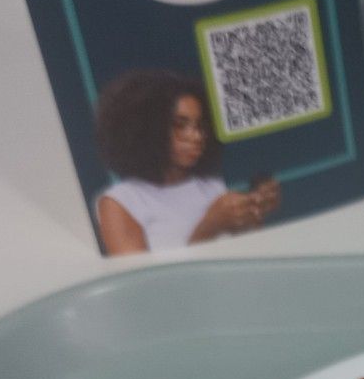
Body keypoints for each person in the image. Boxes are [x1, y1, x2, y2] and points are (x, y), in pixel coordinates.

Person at [92, 71, 281, 254]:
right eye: (180, 125)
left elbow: (243, 254)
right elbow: (143, 285)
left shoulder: (210, 185)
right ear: (147, 129)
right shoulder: (120, 203)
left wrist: (254, 211)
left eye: (199, 125)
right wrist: (208, 228)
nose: (196, 136)